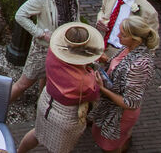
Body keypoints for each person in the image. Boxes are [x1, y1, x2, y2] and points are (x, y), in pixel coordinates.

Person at [17, 23, 103, 153]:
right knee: (59, 150)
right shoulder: (85, 81)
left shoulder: (53, 52)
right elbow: (93, 94)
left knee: (37, 133)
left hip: (46, 101)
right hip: (66, 117)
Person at [10, 0, 82, 102]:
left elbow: (75, 18)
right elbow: (20, 15)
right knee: (23, 83)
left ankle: (41, 107)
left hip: (61, 50)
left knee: (48, 80)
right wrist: (41, 34)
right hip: (43, 50)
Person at [91, 17, 158, 152]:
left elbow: (130, 103)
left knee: (110, 146)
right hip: (110, 107)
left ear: (136, 39)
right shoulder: (129, 48)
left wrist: (103, 89)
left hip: (120, 114)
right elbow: (121, 69)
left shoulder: (139, 65)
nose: (117, 36)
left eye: (123, 34)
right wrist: (107, 59)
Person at [95, 0, 159, 54]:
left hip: (123, 54)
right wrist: (100, 20)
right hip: (102, 46)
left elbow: (152, 43)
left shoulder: (148, 12)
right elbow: (103, 10)